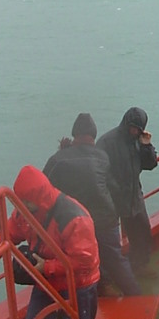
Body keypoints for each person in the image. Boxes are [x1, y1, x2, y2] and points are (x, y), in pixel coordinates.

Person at [0, 165, 100, 319]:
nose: (19, 208)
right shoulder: (26, 210)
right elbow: (12, 228)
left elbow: (85, 260)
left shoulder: (73, 217)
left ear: (36, 200)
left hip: (79, 283)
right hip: (47, 280)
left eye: (24, 203)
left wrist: (46, 266)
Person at [43, 112, 142, 296]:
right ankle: (136, 295)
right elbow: (112, 186)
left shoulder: (58, 159)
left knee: (75, 258)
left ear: (74, 134)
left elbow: (44, 189)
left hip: (76, 221)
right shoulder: (102, 156)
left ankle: (86, 295)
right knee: (115, 259)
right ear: (94, 136)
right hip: (106, 219)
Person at [96, 107, 157, 275]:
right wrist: (114, 188)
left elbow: (151, 164)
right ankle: (111, 274)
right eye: (132, 127)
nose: (134, 131)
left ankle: (140, 265)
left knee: (142, 232)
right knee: (109, 238)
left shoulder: (138, 141)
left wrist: (146, 146)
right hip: (112, 196)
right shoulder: (107, 142)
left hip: (133, 194)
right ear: (125, 124)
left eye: (138, 128)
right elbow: (100, 170)